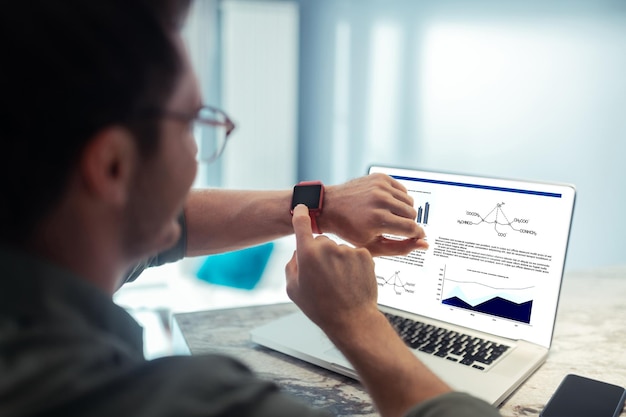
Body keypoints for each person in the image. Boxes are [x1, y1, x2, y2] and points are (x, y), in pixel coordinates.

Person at [0, 1, 501, 416]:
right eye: (192, 122)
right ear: (112, 167)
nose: (198, 150)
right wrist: (359, 322)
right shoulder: (186, 403)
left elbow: (170, 225)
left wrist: (320, 205)